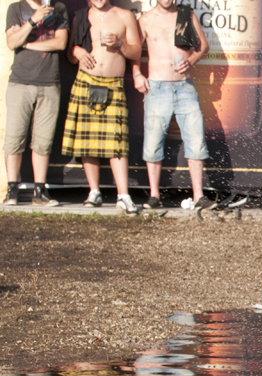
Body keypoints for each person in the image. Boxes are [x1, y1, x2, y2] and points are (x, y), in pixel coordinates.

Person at [132, 0, 214, 212]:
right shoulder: (146, 19)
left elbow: (203, 45)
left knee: (196, 139)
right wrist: (137, 74)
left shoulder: (186, 14)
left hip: (184, 86)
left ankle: (198, 195)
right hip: (157, 86)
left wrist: (192, 60)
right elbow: (133, 51)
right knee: (153, 142)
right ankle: (154, 195)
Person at [62, 0, 141, 215]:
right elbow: (69, 55)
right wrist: (77, 52)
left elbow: (136, 52)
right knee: (87, 140)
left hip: (113, 85)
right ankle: (94, 191)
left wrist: (120, 44)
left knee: (117, 140)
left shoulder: (125, 16)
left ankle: (123, 195)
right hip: (86, 81)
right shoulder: (81, 16)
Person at [4, 0, 68, 207]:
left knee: (43, 140)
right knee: (14, 137)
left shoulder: (58, 9)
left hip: (49, 84)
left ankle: (40, 191)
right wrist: (32, 21)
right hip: (20, 82)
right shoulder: (16, 8)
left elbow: (60, 43)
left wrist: (27, 43)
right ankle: (12, 189)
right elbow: (12, 43)